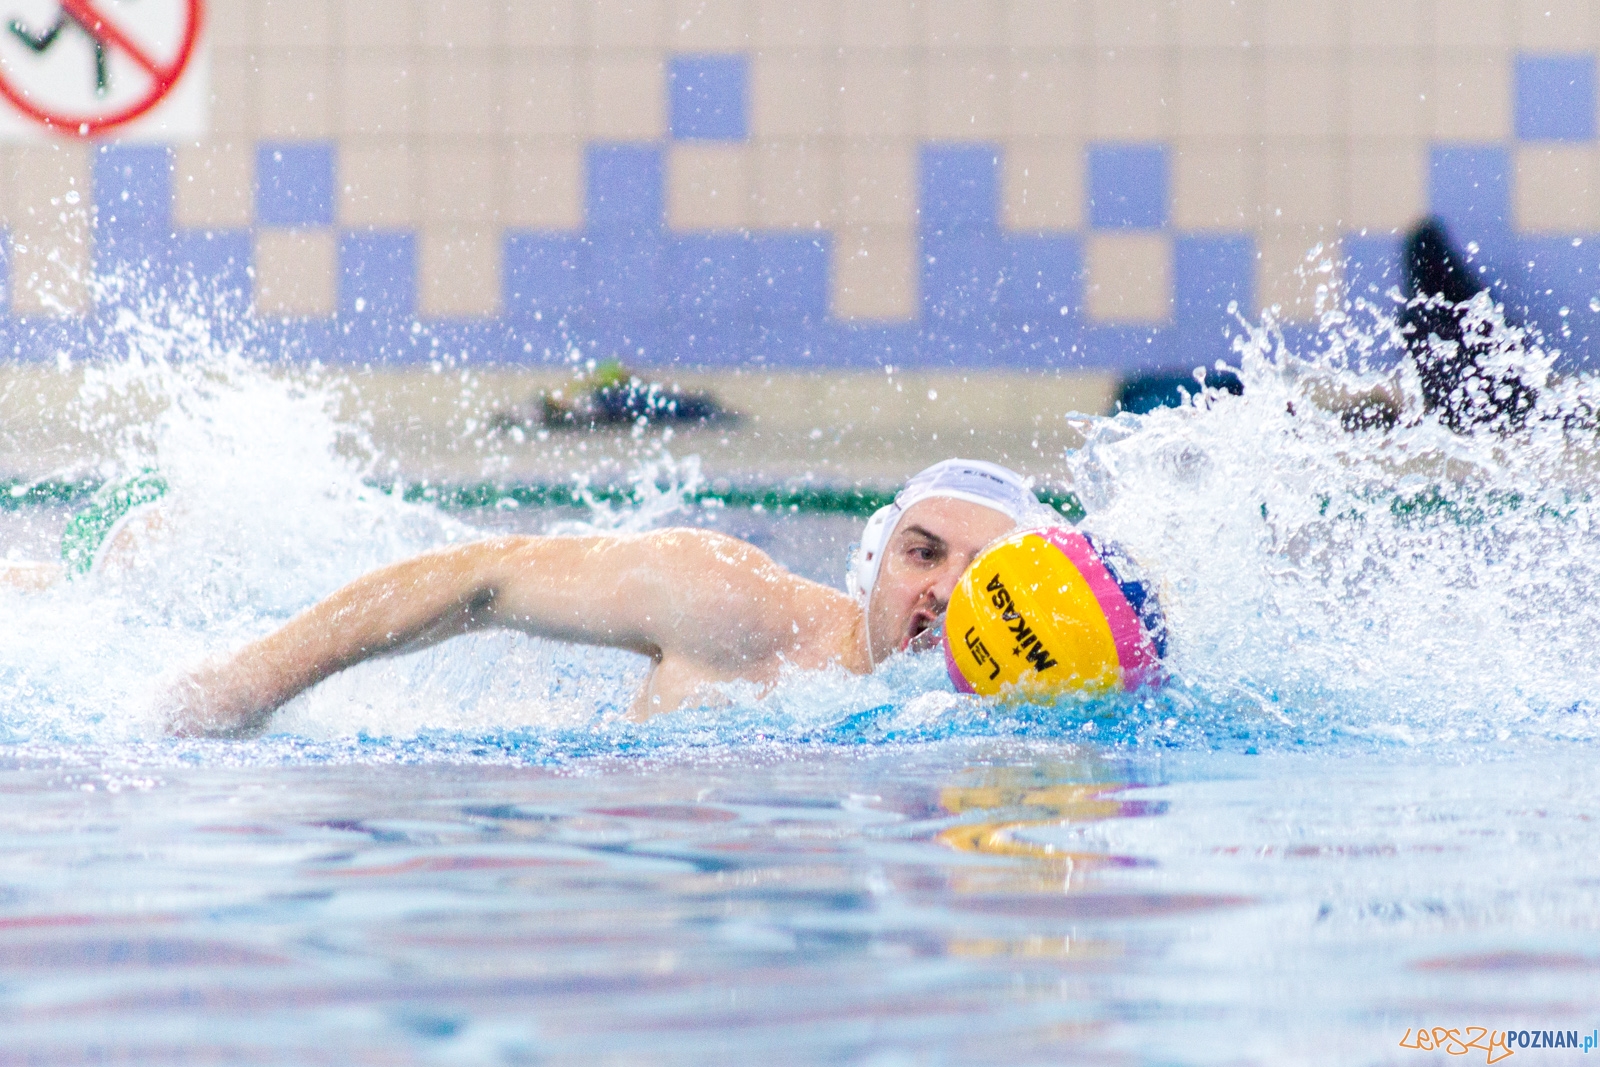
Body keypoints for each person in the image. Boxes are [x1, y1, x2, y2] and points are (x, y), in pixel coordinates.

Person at [163, 459, 1066, 737]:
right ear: (870, 562)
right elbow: (482, 573)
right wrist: (248, 683)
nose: (947, 590)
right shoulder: (738, 608)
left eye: (984, 569)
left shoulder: (1048, 707)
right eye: (921, 552)